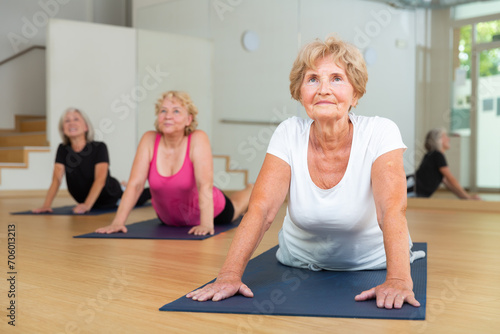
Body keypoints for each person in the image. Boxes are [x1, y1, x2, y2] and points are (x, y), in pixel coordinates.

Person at [186, 36, 425, 309]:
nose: (323, 89)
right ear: (300, 92)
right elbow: (261, 210)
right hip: (296, 261)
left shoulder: (380, 132)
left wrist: (398, 279)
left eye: (337, 78)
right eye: (313, 79)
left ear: (355, 94)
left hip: (372, 263)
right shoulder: (288, 133)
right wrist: (228, 276)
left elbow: (391, 209)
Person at [95, 91, 253, 236]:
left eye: (176, 111)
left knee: (237, 206)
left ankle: (249, 189)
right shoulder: (149, 140)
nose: (168, 116)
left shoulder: (197, 138)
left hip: (212, 214)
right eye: (163, 111)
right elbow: (135, 185)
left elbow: (204, 185)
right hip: (169, 220)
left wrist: (206, 224)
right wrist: (117, 223)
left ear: (188, 119)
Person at [33, 108, 151, 214]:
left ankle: (125, 188)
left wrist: (87, 205)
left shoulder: (99, 147)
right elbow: (56, 179)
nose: (71, 123)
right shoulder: (63, 149)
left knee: (146, 194)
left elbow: (100, 180)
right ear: (63, 129)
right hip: (86, 198)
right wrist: (46, 205)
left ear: (86, 127)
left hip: (111, 196)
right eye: (67, 121)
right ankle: (124, 186)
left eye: (76, 119)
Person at [414, 128, 481, 199]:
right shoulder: (437, 155)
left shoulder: (432, 155)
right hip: (411, 190)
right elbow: (451, 179)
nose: (448, 139)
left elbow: (448, 183)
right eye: (445, 136)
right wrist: (468, 197)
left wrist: (466, 197)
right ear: (438, 140)